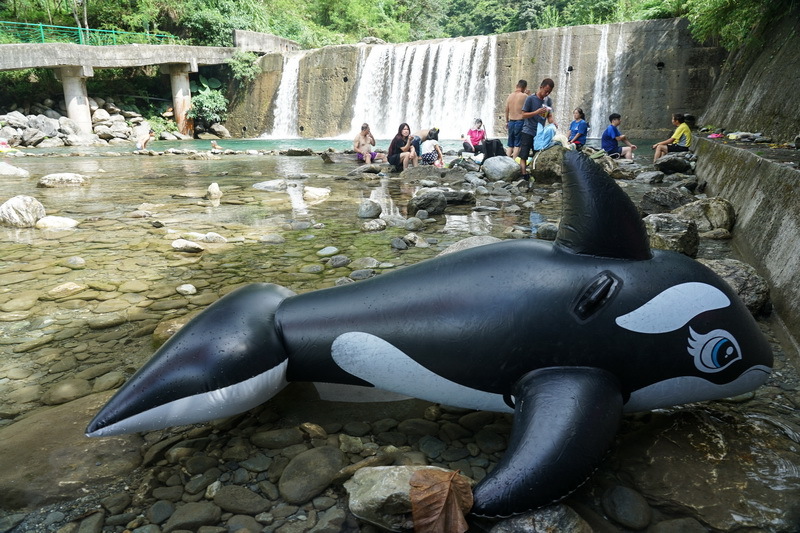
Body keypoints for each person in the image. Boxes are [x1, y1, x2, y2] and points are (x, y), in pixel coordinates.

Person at [518, 78, 555, 180]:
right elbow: (523, 115)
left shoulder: (548, 101)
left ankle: (535, 174)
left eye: (549, 92)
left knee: (537, 154)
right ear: (541, 87)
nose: (547, 93)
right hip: (528, 130)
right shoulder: (530, 99)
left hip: (539, 133)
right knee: (524, 154)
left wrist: (553, 122)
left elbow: (549, 116)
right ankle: (524, 174)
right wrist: (536, 112)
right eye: (545, 91)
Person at [505, 80, 528, 157]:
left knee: (510, 144)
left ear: (516, 86)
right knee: (517, 144)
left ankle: (506, 162)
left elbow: (506, 110)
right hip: (520, 122)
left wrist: (506, 121)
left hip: (511, 122)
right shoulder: (524, 96)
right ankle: (514, 162)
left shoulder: (510, 96)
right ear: (524, 87)